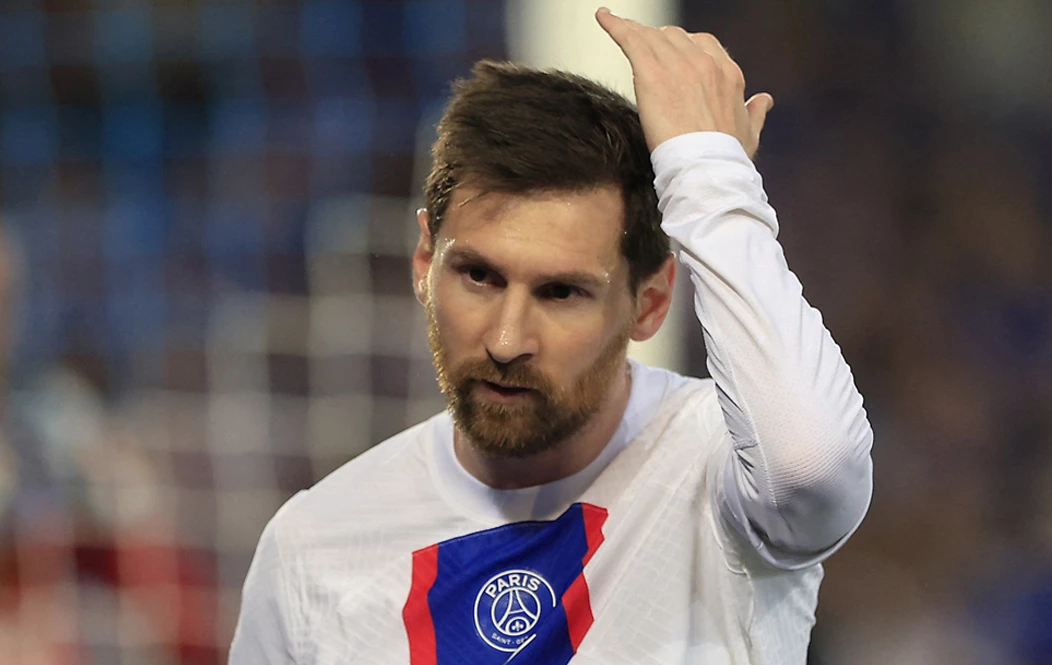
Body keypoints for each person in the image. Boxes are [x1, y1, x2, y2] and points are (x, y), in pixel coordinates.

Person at [229, 8, 873, 664]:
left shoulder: (720, 472)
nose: (506, 340)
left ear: (650, 304)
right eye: (478, 275)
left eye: (561, 292)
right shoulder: (313, 547)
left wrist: (709, 172)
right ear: (425, 262)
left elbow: (812, 468)